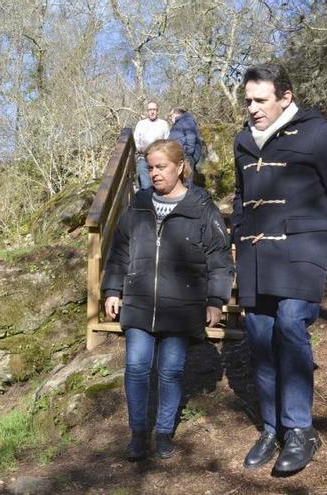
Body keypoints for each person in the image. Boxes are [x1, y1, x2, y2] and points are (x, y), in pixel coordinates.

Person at [232, 63, 327, 474]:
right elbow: (240, 197)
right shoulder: (242, 140)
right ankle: (272, 428)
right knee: (258, 334)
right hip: (257, 254)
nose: (252, 108)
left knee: (291, 323)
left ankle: (299, 430)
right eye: (248, 100)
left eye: (260, 100)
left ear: (285, 97)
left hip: (302, 246)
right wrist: (239, 236)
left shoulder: (316, 132)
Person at [102, 139, 233, 461]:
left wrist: (215, 300)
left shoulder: (201, 207)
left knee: (171, 371)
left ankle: (162, 434)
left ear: (180, 167)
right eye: (150, 168)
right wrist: (112, 291)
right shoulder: (139, 204)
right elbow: (119, 252)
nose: (155, 173)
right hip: (138, 301)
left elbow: (219, 258)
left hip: (182, 307)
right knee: (135, 367)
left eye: (161, 167)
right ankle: (137, 434)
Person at [133, 102, 170, 190]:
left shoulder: (163, 124)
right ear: (147, 112)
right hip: (143, 158)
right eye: (150, 110)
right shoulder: (141, 124)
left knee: (159, 185)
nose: (152, 112)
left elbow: (167, 141)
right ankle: (147, 202)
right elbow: (136, 141)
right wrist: (140, 150)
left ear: (158, 111)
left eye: (154, 110)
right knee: (146, 186)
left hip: (160, 159)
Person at [168, 108, 203, 186]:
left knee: (187, 181)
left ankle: (189, 196)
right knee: (182, 181)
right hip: (180, 156)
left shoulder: (186, 120)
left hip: (186, 156)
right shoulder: (179, 123)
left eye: (171, 115)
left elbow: (191, 136)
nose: (170, 118)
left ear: (176, 113)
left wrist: (188, 152)